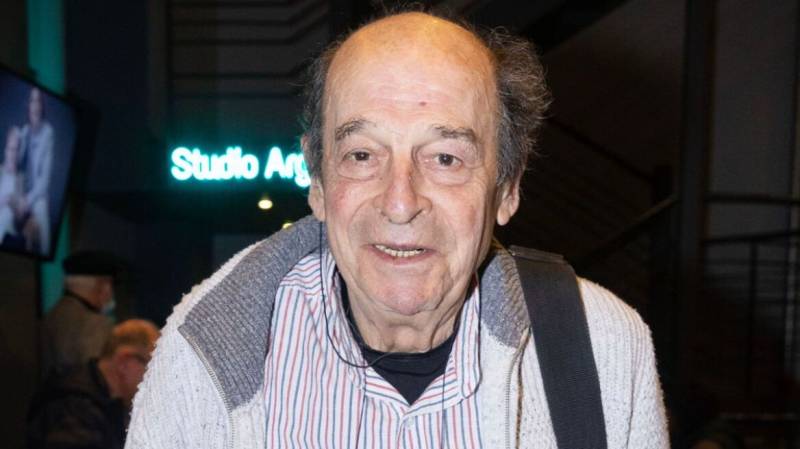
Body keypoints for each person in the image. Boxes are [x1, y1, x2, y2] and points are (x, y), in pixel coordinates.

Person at [126, 10, 669, 448]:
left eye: (445, 158)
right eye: (362, 155)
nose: (401, 202)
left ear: (507, 187)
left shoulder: (599, 346)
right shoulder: (205, 351)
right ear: (318, 181)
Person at [27, 319, 159, 449]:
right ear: (125, 362)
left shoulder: (103, 400)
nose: (154, 384)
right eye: (152, 370)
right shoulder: (74, 409)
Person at [42, 251, 118, 377]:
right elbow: (99, 377)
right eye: (109, 283)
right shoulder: (97, 324)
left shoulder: (50, 316)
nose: (110, 291)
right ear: (101, 285)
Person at [17, 87, 54, 254]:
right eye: (32, 101)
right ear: (28, 105)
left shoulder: (48, 133)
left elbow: (44, 181)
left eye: (38, 101)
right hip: (21, 193)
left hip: (37, 196)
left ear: (42, 106)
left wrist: (28, 200)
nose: (35, 105)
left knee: (46, 242)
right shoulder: (24, 131)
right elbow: (16, 163)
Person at [0, 126, 22, 244]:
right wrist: (3, 201)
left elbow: (19, 219)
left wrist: (13, 204)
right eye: (11, 149)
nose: (13, 154)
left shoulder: (20, 179)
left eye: (16, 149)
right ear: (5, 150)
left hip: (9, 233)